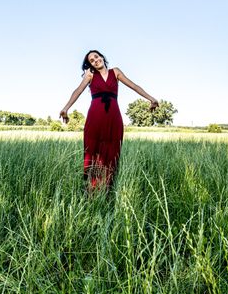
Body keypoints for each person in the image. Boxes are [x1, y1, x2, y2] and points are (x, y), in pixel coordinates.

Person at [59, 50, 158, 191]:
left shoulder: (115, 72)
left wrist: (151, 98)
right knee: (93, 150)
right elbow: (78, 91)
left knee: (112, 151)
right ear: (90, 65)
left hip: (113, 117)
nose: (95, 60)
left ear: (102, 57)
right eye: (91, 60)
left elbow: (134, 86)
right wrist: (66, 108)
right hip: (95, 116)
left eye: (96, 57)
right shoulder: (90, 75)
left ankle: (108, 188)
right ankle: (90, 189)